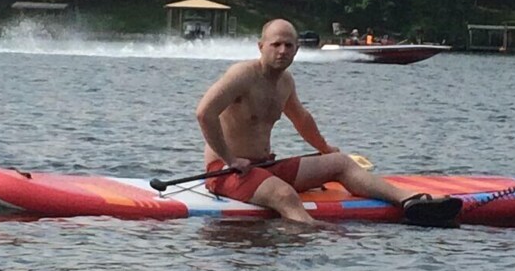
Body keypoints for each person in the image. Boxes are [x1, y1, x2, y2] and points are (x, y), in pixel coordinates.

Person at [196, 18, 459, 225]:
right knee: (284, 194)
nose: (282, 51)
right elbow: (204, 113)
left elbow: (301, 119)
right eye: (275, 44)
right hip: (227, 171)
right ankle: (314, 238)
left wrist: (324, 148)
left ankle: (410, 201)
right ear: (261, 46)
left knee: (340, 162)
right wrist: (230, 159)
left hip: (265, 165)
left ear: (297, 50)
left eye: (288, 45)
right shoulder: (242, 75)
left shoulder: (285, 82)